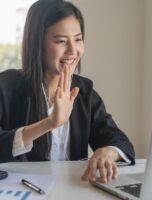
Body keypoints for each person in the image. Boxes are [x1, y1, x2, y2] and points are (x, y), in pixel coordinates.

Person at [0, 0, 135, 183]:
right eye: (62, 41)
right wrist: (49, 123)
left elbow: (120, 141)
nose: (73, 51)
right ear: (37, 42)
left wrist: (108, 152)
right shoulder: (7, 86)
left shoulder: (84, 90)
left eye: (78, 39)